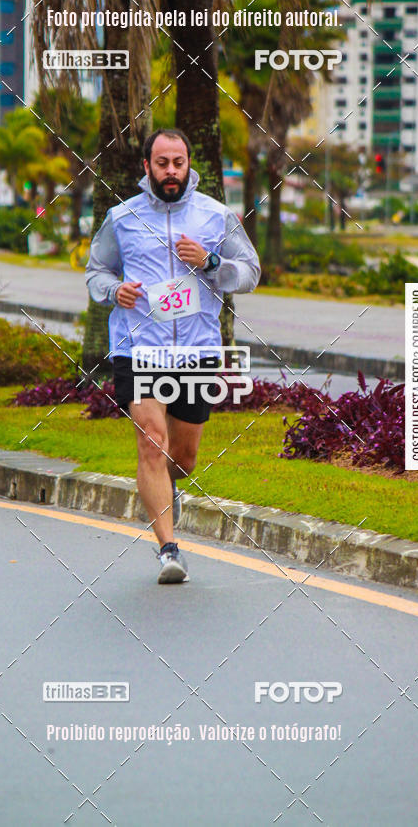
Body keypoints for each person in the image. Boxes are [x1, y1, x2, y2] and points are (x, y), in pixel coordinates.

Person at [85, 128, 260, 584]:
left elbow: (251, 273)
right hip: (139, 349)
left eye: (178, 162)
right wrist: (113, 290)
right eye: (162, 163)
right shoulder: (121, 218)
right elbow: (96, 272)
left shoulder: (216, 216)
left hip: (197, 351)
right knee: (151, 439)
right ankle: (168, 549)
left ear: (188, 165)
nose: (170, 171)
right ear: (147, 166)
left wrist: (211, 263)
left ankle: (170, 486)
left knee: (181, 457)